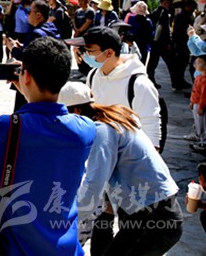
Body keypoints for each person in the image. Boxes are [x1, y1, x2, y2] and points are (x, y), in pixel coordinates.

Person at [0, 38, 95, 255]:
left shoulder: (5, 129)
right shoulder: (85, 129)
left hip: (11, 248)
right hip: (63, 248)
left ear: (26, 76)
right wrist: (30, 91)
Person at [58, 83, 183, 254]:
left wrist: (68, 221)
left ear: (77, 111)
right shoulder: (111, 120)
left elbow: (94, 184)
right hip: (143, 211)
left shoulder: (102, 130)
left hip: (156, 216)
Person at [72, 26, 162, 150]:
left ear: (109, 52)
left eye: (89, 51)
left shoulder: (138, 84)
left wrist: (148, 155)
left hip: (128, 152)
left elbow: (151, 124)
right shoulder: (93, 75)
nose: (85, 55)